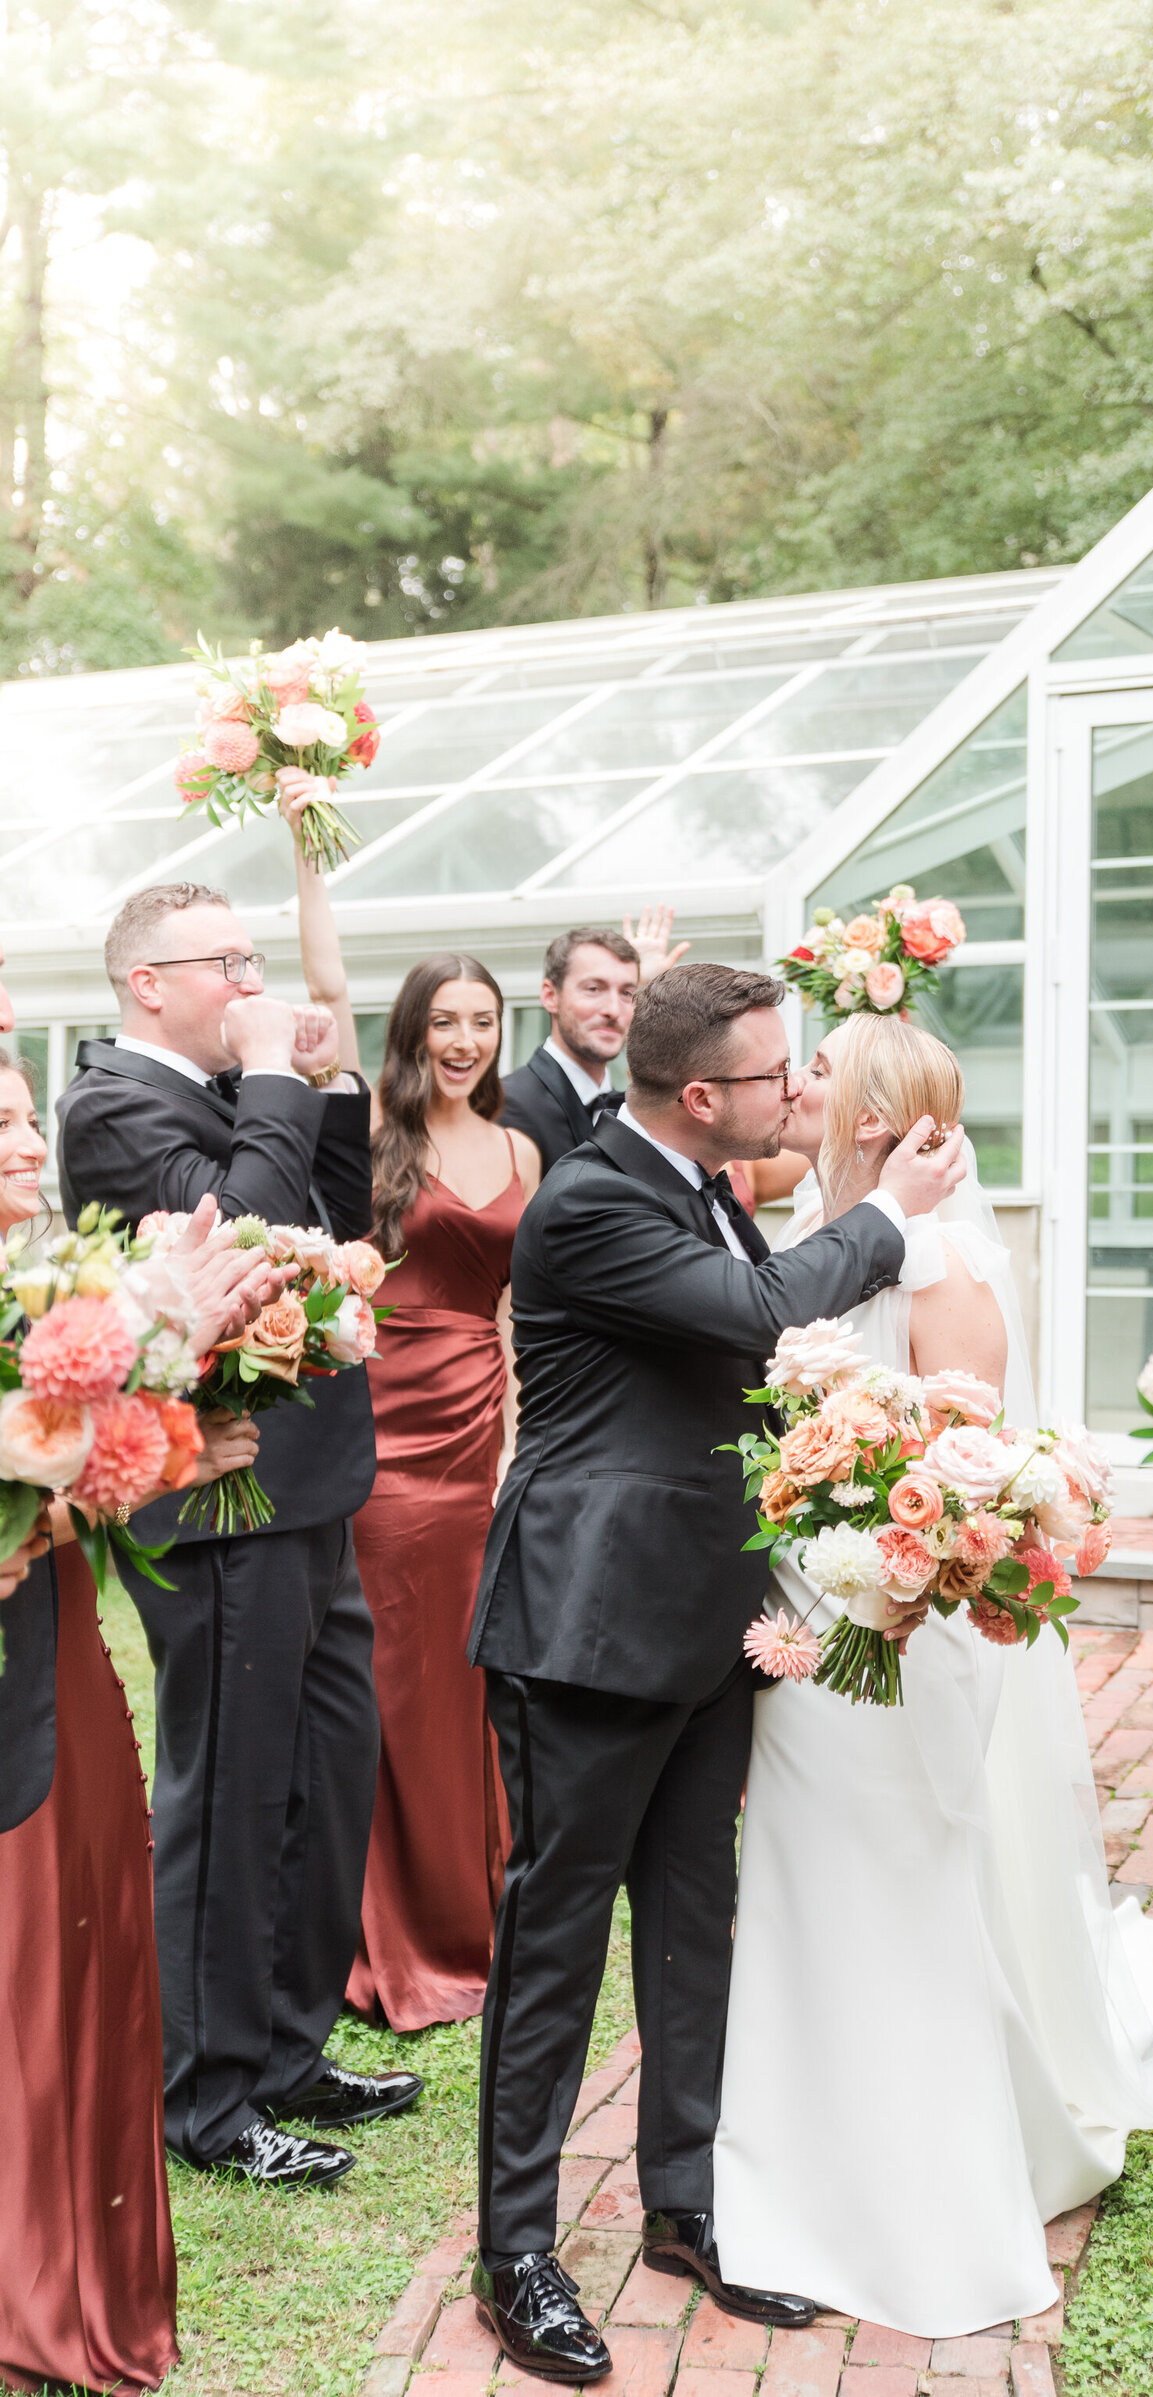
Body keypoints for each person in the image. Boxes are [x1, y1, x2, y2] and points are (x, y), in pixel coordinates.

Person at [466, 962, 966, 2383]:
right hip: (588, 1628)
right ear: (702, 1095)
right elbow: (763, 1313)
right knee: (553, 1946)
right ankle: (519, 2254)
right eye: (769, 1074)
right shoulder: (591, 1199)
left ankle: (686, 2204)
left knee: (697, 1923)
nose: (787, 1087)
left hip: (704, 1623)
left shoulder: (690, 1180)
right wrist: (885, 1215)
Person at [712, 1015, 1153, 2333]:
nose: (796, 1085)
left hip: (890, 1624)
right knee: (809, 1878)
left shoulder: (942, 1261)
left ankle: (918, 2171)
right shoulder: (819, 1234)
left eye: (816, 1070)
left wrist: (871, 1569)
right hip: (803, 1615)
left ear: (868, 1113)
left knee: (897, 1868)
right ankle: (798, 2135)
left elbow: (965, 1477)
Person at [54, 881, 419, 2193]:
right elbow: (244, 1243)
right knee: (232, 1789)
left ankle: (285, 2047)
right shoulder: (112, 1104)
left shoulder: (231, 1093)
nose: (254, 986)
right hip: (212, 1500)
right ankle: (206, 2102)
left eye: (258, 962)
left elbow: (343, 1228)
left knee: (327, 1778)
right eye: (233, 964)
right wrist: (270, 1075)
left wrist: (311, 1090)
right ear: (151, 982)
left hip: (309, 1486)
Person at [0, 1024, 292, 2391]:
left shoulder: (39, 1298)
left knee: (88, 1950)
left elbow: (55, 1502)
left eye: (18, 1117)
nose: (21, 1140)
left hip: (62, 1665)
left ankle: (67, 2265)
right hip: (18, 1689)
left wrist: (175, 1433)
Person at [285, 779, 542, 2029]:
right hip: (382, 1433)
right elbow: (323, 997)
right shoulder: (380, 1125)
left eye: (483, 1020)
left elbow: (515, 1312)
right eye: (444, 1020)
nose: (463, 1039)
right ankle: (380, 1927)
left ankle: (472, 1913)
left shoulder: (525, 1151)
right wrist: (307, 851)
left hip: (477, 1437)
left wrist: (519, 1452)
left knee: (467, 1675)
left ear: (503, 1032)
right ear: (416, 1031)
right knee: (389, 1676)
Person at [497, 909, 688, 1171]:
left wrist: (650, 989)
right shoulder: (507, 1105)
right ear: (550, 996)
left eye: (626, 992)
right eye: (593, 989)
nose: (612, 1009)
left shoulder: (634, 1107)